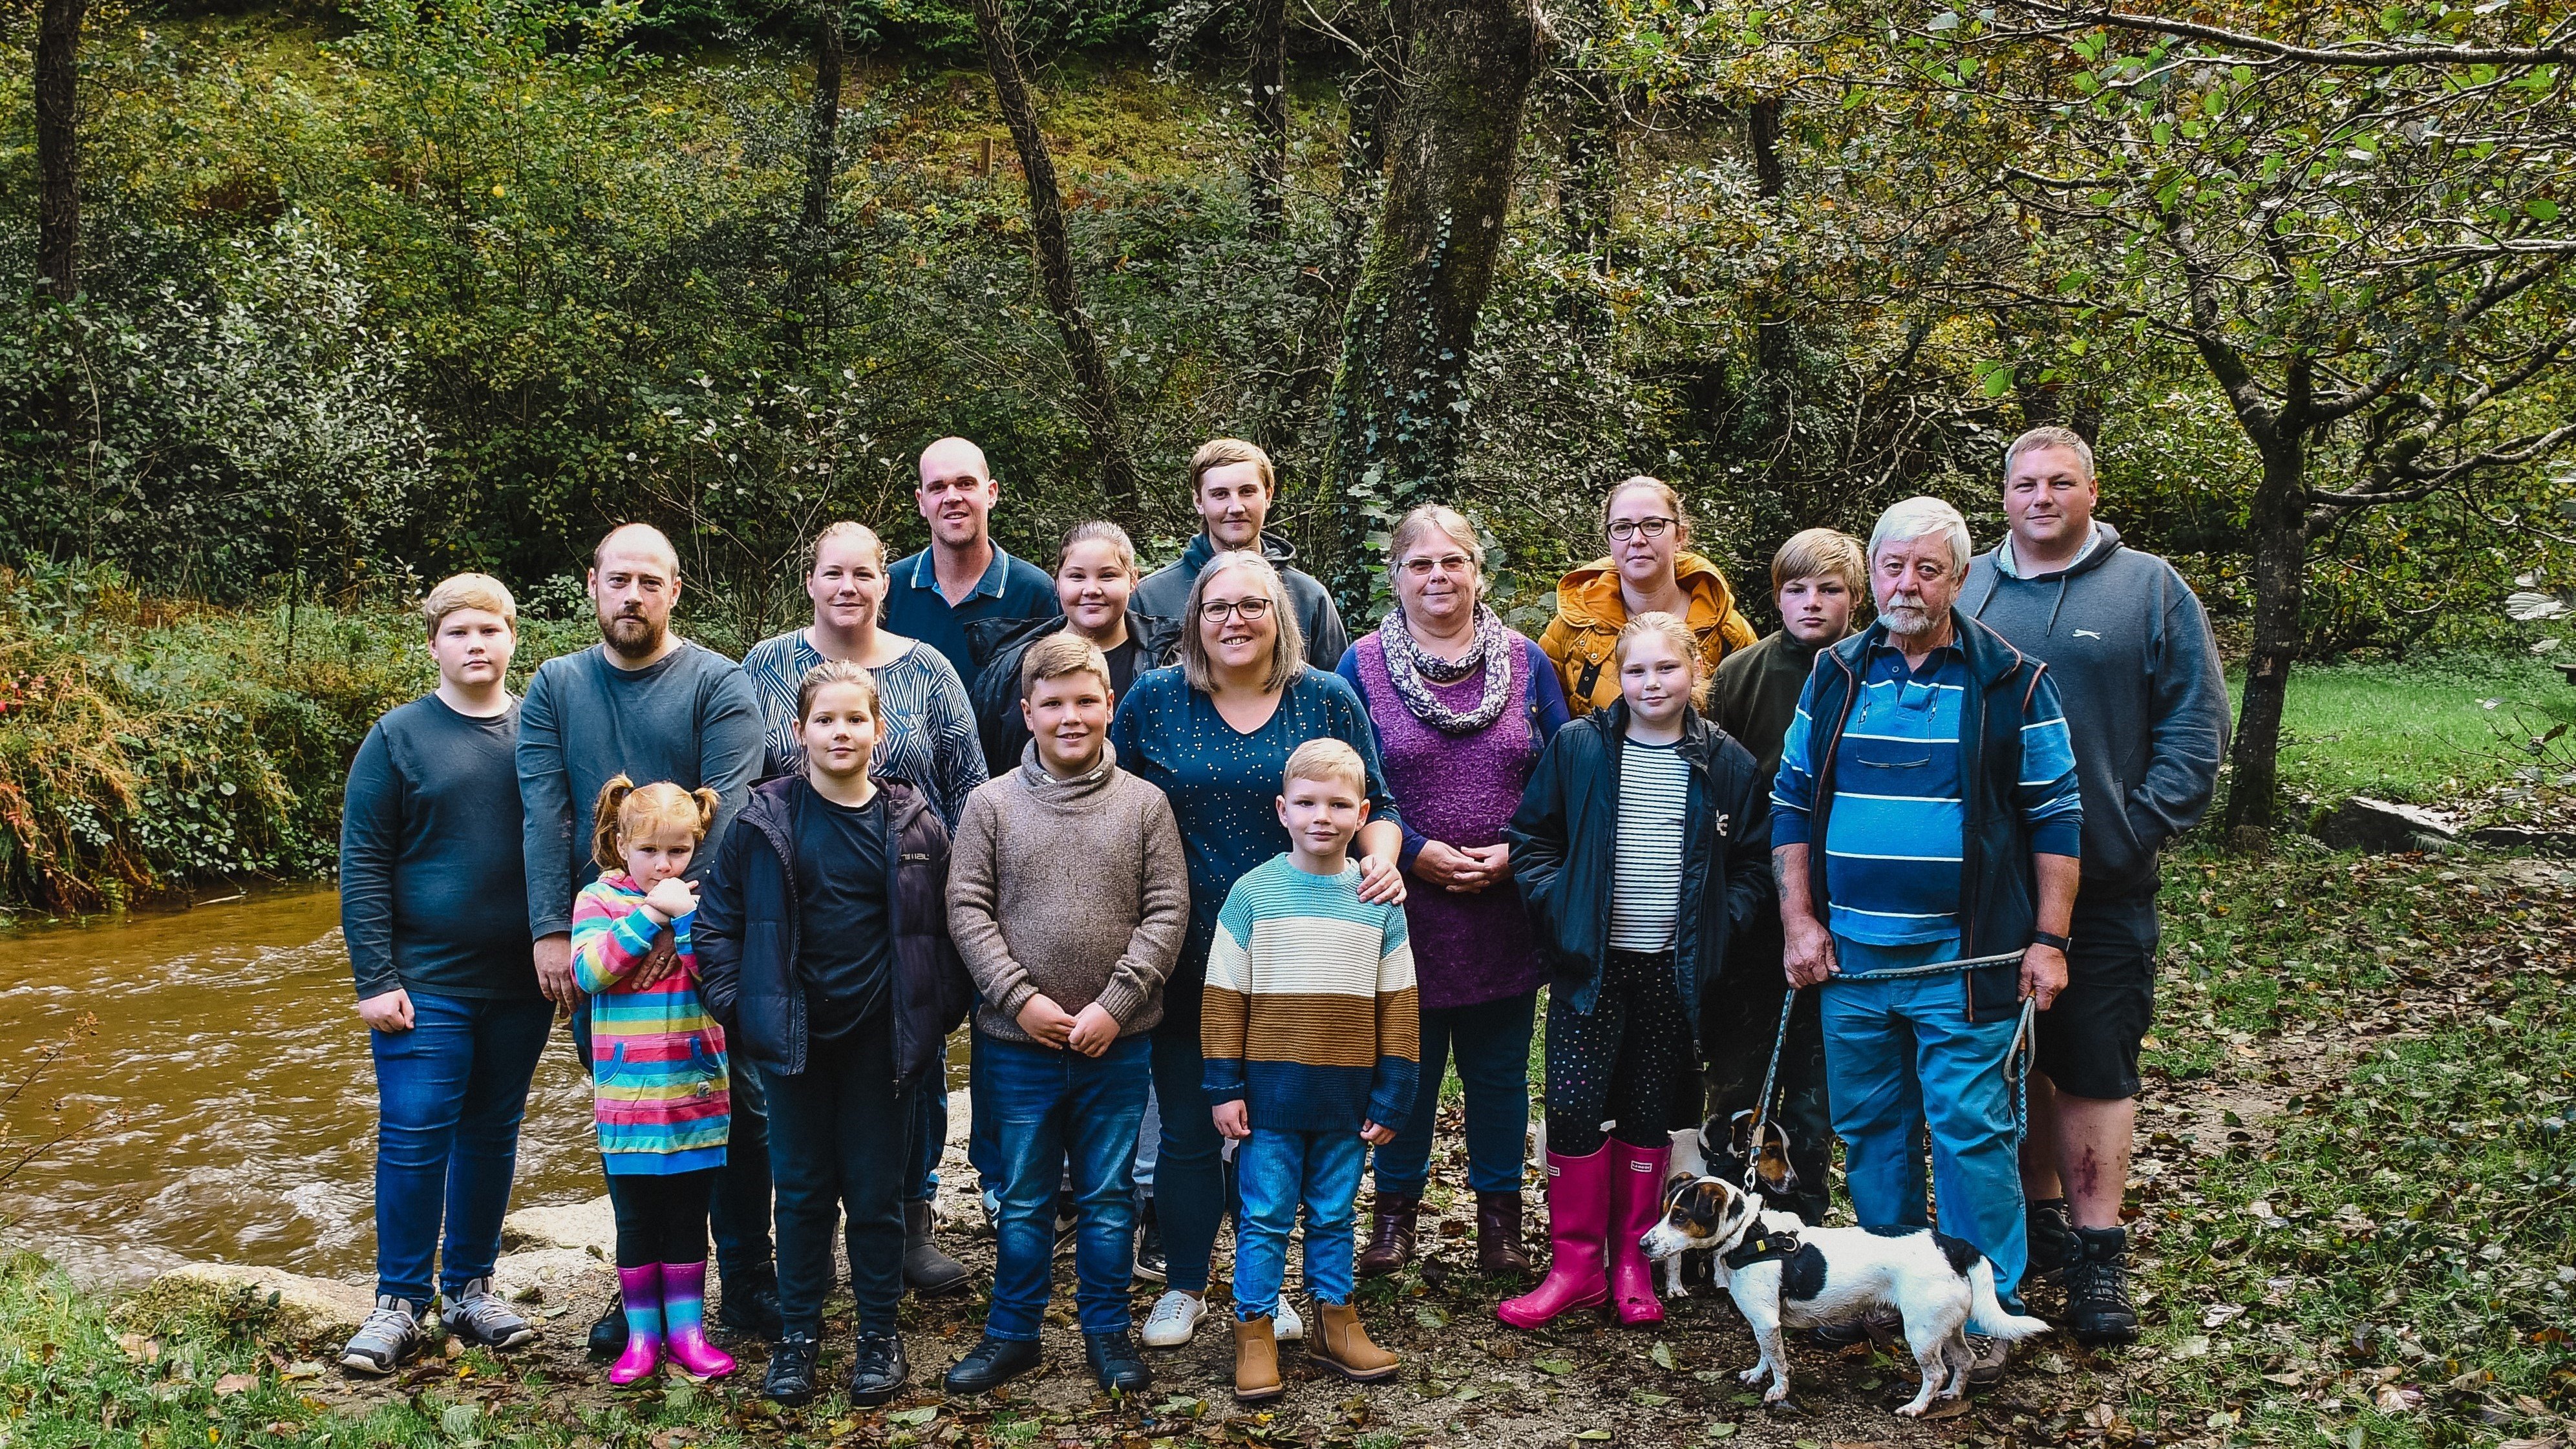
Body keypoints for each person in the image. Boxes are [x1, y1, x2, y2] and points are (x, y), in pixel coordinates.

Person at [1771, 496, 2083, 1385]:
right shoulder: (1833, 672)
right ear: (1871, 574)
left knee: (1971, 1131)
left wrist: (2048, 938)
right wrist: (1799, 920)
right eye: (1892, 567)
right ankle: (1883, 1291)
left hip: (1968, 960)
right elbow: (1792, 799)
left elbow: (2057, 817)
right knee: (1871, 1129)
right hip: (1852, 959)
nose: (1907, 584)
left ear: (1958, 575)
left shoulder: (2010, 679)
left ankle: (1986, 1310)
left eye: (1928, 568)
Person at [1962, 427, 2227, 1344]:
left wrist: (2136, 825)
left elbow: (2196, 726)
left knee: (2095, 1060)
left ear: (2090, 489)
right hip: (1988, 890)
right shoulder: (1966, 585)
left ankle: (2098, 1251)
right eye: (2025, 483)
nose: (2041, 497)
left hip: (2105, 884)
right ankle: (2033, 1235)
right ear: (2002, 495)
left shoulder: (2149, 588)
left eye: (2060, 482)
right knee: (2014, 1058)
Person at [1107, 550, 1407, 1351]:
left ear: (1282, 616)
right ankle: (1182, 1284)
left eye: (1252, 605)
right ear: (1193, 622)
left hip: (1305, 961)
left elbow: (1381, 800)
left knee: (1273, 1128)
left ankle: (1264, 1287)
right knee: (1189, 1126)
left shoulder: (1326, 698)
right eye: (1216, 607)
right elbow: (1115, 807)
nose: (1234, 620)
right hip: (1186, 946)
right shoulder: (1154, 701)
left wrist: (1380, 858)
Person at [517, 524, 771, 1353]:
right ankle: (636, 1304)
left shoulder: (718, 681)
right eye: (618, 579)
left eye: (650, 581)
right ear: (592, 585)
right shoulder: (555, 684)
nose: (632, 595)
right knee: (628, 1119)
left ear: (674, 593)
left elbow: (728, 809)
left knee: (731, 1111)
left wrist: (681, 917)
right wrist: (554, 930)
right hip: (605, 945)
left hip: (705, 939)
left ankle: (749, 1279)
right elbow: (545, 810)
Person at [696, 661, 973, 1408]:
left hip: (883, 1043)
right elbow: (714, 925)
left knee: (878, 1195)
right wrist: (742, 1008)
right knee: (805, 1193)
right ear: (799, 733)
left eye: (855, 719)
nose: (840, 732)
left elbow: (950, 930)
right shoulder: (762, 823)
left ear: (879, 732)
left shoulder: (916, 824)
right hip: (793, 1042)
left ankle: (879, 1338)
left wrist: (936, 1009)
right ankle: (798, 1339)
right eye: (825, 720)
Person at [1500, 613, 1773, 1330]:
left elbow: (1752, 861)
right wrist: (1558, 905)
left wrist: (1724, 922)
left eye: (1667, 669)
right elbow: (1532, 837)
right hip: (1590, 964)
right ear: (1616, 677)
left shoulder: (1725, 763)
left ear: (1696, 672)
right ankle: (1574, 1264)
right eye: (1636, 671)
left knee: (1650, 1112)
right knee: (1572, 1107)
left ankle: (1631, 1259)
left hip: (1670, 972)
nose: (1651, 683)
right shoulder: (1579, 748)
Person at [740, 520, 985, 1296]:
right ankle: (806, 1242)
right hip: (798, 902)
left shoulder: (931, 669)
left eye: (863, 574)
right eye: (831, 573)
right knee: (802, 1078)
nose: (847, 587)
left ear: (887, 583)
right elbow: (746, 783)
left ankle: (910, 1223)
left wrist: (963, 901)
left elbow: (970, 783)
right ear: (810, 581)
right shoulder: (767, 665)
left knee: (916, 1067)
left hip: (913, 899)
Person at [941, 633, 1190, 1396]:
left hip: (1116, 1046)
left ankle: (1106, 1330)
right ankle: (1012, 1332)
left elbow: (1167, 910)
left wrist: (1116, 1005)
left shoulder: (1145, 805)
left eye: (1086, 701)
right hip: (1018, 1045)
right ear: (1027, 712)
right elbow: (967, 910)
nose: (1071, 716)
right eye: (1053, 703)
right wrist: (1023, 999)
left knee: (1111, 1195)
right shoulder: (990, 805)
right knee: (1021, 1197)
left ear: (1110, 705)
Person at [1334, 505, 1569, 1278]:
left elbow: (1562, 779)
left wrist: (1516, 852)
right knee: (1405, 1068)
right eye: (1420, 564)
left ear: (1478, 571)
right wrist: (1413, 855)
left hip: (1504, 911)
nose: (1438, 576)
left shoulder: (1528, 661)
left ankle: (1500, 1224)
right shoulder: (1358, 666)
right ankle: (1393, 1219)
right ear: (1395, 576)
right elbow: (1347, 781)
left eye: (1453, 561)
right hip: (1400, 907)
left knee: (1500, 1075)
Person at [337, 575, 551, 1375]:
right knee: (415, 1135)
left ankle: (470, 1287)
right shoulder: (396, 737)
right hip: (423, 982)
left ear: (512, 639)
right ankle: (397, 1302)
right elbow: (362, 863)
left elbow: (570, 842)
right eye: (459, 632)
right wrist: (375, 975)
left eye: (490, 631)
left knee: (492, 1136)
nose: (475, 644)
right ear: (434, 644)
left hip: (520, 981)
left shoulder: (538, 730)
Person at [1204, 739, 1416, 1402]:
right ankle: (1254, 1329)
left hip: (1347, 1097)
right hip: (1269, 1097)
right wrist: (1223, 1086)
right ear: (1281, 809)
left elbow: (1400, 1002)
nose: (1320, 816)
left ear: (1362, 813)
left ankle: (1334, 1321)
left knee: (1332, 1212)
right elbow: (1222, 995)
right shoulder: (1253, 894)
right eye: (1305, 803)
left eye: (1337, 804)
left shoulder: (1376, 897)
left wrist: (1393, 1091)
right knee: (1264, 1214)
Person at [1700, 528, 1868, 1225]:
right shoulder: (1741, 673)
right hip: (1754, 893)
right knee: (1738, 1053)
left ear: (1855, 599)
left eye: (1829, 590)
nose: (1812, 603)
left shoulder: (1876, 666)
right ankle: (1727, 1201)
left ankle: (1800, 1201)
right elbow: (1714, 784)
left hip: (1849, 891)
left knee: (1815, 1064)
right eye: (1796, 590)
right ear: (1775, 596)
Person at [569, 777, 737, 1388]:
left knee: (690, 1219)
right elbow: (588, 972)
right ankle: (642, 1338)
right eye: (649, 852)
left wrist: (686, 923)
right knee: (636, 1222)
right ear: (619, 844)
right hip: (627, 1099)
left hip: (696, 1092)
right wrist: (648, 915)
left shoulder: (707, 899)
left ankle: (689, 1334)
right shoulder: (598, 900)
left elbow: (718, 978)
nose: (664, 865)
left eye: (679, 851)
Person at [967, 520, 1184, 779]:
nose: (1091, 590)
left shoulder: (1167, 662)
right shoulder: (1011, 668)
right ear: (1057, 581)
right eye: (1077, 576)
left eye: (1108, 575)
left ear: (1133, 580)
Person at [1539, 476, 1758, 716]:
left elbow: (1756, 725)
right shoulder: (1572, 628)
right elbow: (1549, 730)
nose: (1637, 540)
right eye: (1622, 527)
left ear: (1680, 536)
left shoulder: (1726, 631)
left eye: (1653, 525)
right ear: (1609, 541)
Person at [1130, 438, 1348, 670]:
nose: (1236, 508)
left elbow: (1333, 695)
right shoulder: (1151, 598)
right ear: (1198, 501)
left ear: (1268, 496)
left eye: (1247, 492)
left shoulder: (1309, 597)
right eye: (1220, 494)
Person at [883, 436, 1061, 693]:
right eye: (938, 487)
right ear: (921, 502)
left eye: (965, 484)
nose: (952, 497)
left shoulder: (1034, 591)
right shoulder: (890, 587)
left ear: (991, 494)